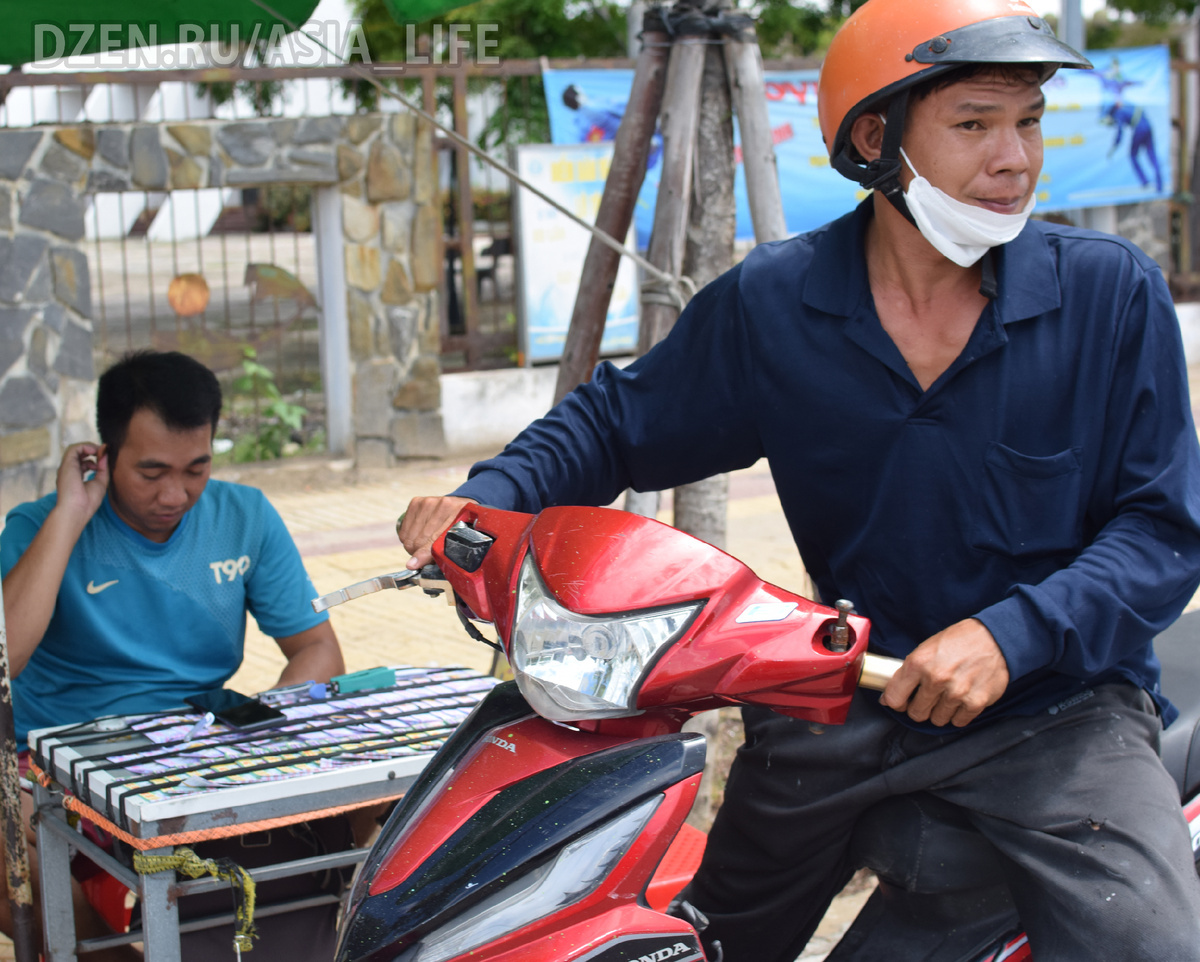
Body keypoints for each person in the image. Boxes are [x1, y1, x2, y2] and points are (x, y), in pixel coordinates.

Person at [397, 0, 1200, 958]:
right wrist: (489, 500)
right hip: (845, 696)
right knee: (713, 942)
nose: (1016, 157)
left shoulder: (1110, 294)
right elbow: (617, 423)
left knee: (1150, 945)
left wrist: (1008, 637)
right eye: (976, 124)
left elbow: (1162, 531)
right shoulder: (777, 303)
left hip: (1058, 712)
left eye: (1028, 121)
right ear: (876, 138)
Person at [0, 350, 344, 958]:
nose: (176, 494)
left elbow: (316, 648)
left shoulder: (245, 517)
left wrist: (252, 725)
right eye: (151, 471)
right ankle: (109, 952)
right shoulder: (37, 528)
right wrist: (71, 515)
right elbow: (7, 662)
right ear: (103, 456)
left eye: (197, 468)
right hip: (60, 764)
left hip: (196, 746)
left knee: (387, 798)